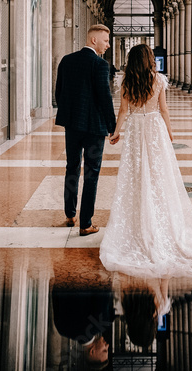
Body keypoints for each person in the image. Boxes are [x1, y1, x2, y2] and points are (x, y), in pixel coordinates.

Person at [100, 44, 192, 278]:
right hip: (155, 127)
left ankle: (140, 224)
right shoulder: (158, 80)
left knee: (137, 175)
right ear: (150, 59)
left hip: (137, 129)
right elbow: (164, 109)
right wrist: (169, 132)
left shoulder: (127, 81)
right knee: (159, 176)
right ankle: (162, 224)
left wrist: (117, 132)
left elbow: (123, 112)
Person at [55, 24, 116, 237]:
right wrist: (112, 126)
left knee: (71, 167)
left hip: (72, 126)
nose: (108, 45)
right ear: (94, 40)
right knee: (91, 173)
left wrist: (70, 115)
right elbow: (105, 98)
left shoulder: (66, 60)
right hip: (94, 129)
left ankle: (70, 214)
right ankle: (86, 223)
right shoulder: (100, 64)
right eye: (106, 41)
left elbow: (58, 93)